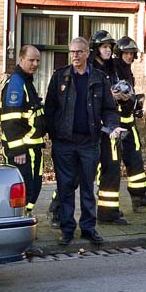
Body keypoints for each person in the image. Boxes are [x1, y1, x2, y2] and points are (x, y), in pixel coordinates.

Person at [44, 37, 123, 246]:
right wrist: (55, 135)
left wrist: (112, 126)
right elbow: (49, 110)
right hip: (64, 143)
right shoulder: (60, 77)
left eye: (79, 51)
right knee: (65, 187)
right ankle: (67, 229)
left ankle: (88, 228)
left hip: (89, 142)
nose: (75, 55)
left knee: (88, 187)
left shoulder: (99, 78)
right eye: (72, 52)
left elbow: (109, 108)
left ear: (88, 53)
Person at [112, 36, 146, 211]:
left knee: (136, 162)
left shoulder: (127, 71)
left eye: (132, 54)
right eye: (126, 53)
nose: (130, 57)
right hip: (115, 126)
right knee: (110, 166)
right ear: (119, 53)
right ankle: (108, 206)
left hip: (129, 123)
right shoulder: (114, 68)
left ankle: (139, 197)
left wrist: (135, 104)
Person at [0, 45, 47, 218]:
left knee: (32, 187)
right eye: (31, 60)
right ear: (21, 59)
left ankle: (25, 220)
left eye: (38, 61)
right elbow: (10, 119)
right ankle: (19, 223)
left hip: (32, 148)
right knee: (25, 189)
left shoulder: (26, 81)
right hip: (23, 150)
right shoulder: (17, 83)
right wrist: (18, 149)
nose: (35, 64)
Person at [89, 30, 129, 225]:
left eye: (109, 47)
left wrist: (123, 96)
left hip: (111, 127)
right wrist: (110, 97)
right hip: (93, 129)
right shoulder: (89, 70)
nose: (107, 50)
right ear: (95, 49)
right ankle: (57, 211)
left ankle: (108, 213)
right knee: (78, 173)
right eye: (104, 47)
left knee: (112, 168)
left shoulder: (112, 68)